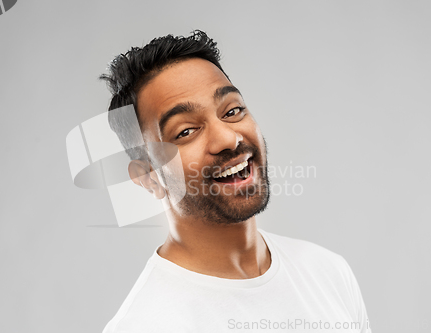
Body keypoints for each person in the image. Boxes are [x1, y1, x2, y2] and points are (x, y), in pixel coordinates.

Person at [99, 30, 371, 332]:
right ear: (149, 178)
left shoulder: (327, 272)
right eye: (186, 131)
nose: (228, 138)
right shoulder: (145, 325)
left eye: (232, 110)